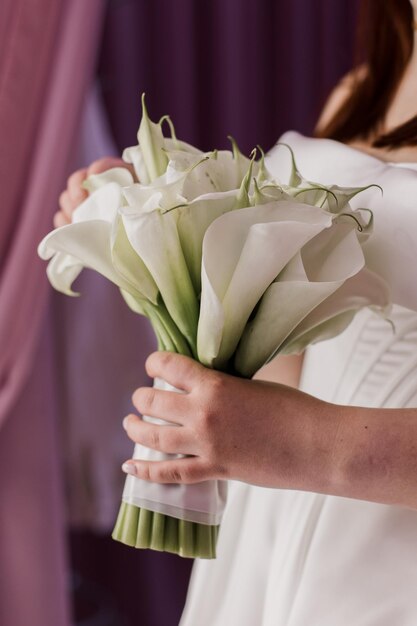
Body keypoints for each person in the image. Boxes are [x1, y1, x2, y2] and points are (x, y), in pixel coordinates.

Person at [56, 1, 417, 623]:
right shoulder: (365, 90)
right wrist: (151, 246)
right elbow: (295, 368)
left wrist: (298, 443)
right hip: (271, 550)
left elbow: (291, 427)